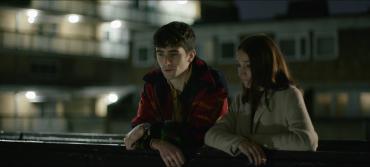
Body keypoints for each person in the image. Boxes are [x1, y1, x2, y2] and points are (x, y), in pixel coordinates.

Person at [124, 21, 229, 167]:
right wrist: (156, 143)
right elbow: (139, 125)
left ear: (190, 56)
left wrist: (148, 136)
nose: (166, 61)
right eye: (160, 54)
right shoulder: (153, 83)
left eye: (173, 54)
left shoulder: (211, 83)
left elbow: (198, 133)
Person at [204, 34, 318, 166]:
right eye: (239, 65)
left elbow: (307, 141)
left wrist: (251, 140)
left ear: (265, 64)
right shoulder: (241, 100)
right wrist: (239, 143)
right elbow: (211, 135)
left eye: (248, 65)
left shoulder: (289, 95)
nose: (241, 73)